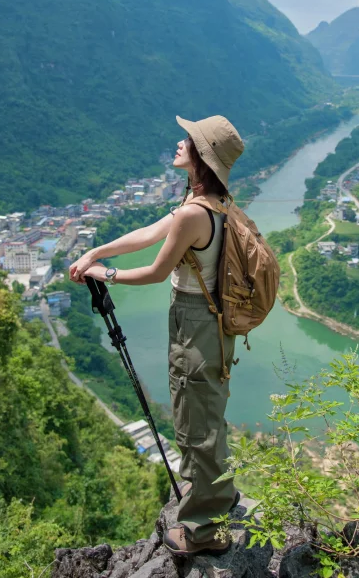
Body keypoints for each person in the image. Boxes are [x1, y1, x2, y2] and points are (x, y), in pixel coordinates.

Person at [69, 114, 245, 557]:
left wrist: (101, 272)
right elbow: (151, 233)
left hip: (196, 323)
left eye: (187, 140)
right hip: (212, 322)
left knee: (193, 421)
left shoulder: (193, 211)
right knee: (206, 412)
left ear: (201, 156)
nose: (179, 143)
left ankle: (206, 532)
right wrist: (98, 249)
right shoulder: (211, 201)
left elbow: (154, 271)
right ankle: (218, 494)